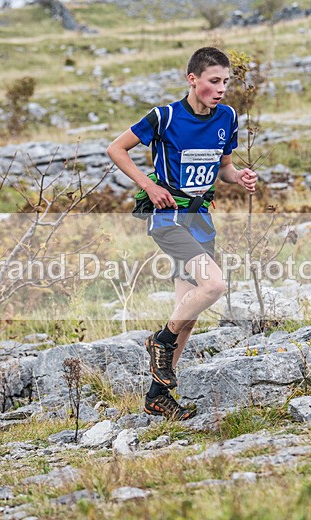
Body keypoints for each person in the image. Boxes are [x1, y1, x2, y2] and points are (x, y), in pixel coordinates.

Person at [107, 46, 258, 420]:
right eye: (213, 81)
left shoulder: (227, 117)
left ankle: (158, 396)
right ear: (193, 79)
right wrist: (150, 185)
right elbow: (117, 149)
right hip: (168, 216)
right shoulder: (165, 116)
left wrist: (238, 176)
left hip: (201, 219)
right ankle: (160, 340)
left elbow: (223, 168)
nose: (221, 88)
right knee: (214, 286)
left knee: (187, 314)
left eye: (225, 81)